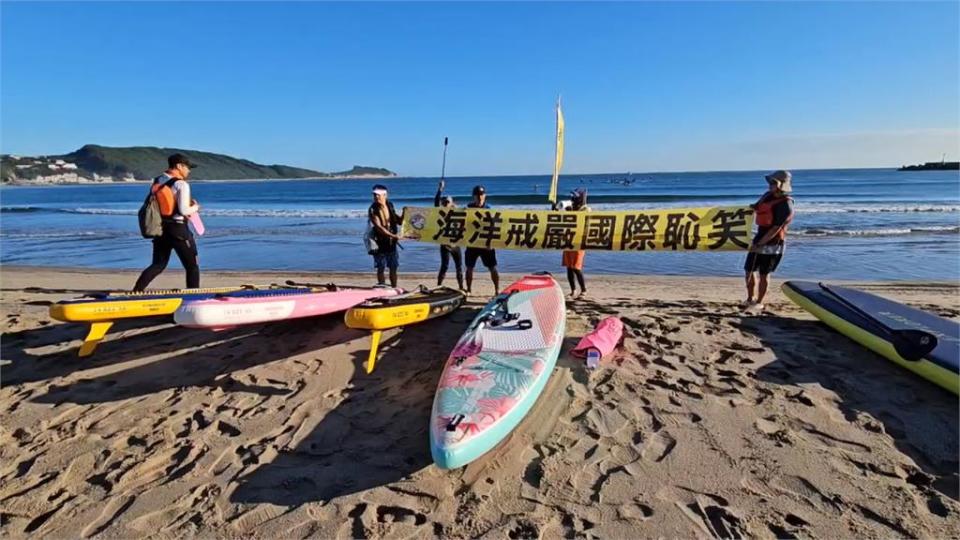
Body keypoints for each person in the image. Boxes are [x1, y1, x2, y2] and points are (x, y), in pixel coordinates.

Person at [133, 153, 201, 291]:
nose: (189, 171)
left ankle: (136, 291)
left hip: (161, 228)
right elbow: (183, 210)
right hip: (178, 230)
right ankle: (193, 296)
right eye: (188, 167)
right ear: (179, 166)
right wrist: (196, 207)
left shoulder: (158, 181)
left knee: (158, 264)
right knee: (192, 266)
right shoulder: (181, 184)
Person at [743, 170, 794, 311]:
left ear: (781, 185)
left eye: (773, 182)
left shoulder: (786, 205)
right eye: (770, 182)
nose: (770, 185)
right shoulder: (767, 196)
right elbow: (755, 207)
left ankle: (759, 301)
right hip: (759, 235)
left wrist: (761, 243)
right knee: (749, 270)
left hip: (774, 242)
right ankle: (749, 298)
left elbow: (776, 228)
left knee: (764, 274)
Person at [464, 185, 500, 295]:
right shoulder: (468, 209)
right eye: (477, 195)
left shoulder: (489, 209)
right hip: (472, 243)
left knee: (492, 268)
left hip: (486, 245)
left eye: (481, 195)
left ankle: (497, 290)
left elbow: (494, 227)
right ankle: (469, 289)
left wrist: (492, 242)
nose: (479, 197)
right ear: (473, 196)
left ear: (485, 196)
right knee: (469, 268)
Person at [368, 184, 403, 287]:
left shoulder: (390, 205)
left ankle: (394, 287)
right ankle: (382, 287)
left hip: (391, 243)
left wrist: (405, 213)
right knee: (381, 267)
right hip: (379, 243)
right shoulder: (372, 209)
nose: (376, 197)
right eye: (374, 195)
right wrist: (393, 235)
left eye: (378, 195)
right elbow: (379, 228)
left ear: (385, 195)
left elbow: (399, 221)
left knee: (393, 267)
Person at [558, 189, 590, 298]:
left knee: (576, 267)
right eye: (573, 197)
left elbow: (583, 221)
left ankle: (584, 290)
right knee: (569, 267)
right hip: (569, 239)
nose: (573, 199)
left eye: (575, 197)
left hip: (579, 241)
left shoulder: (585, 209)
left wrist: (572, 212)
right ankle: (573, 290)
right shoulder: (571, 208)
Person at [434, 180, 465, 290]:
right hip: (445, 245)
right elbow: (436, 202)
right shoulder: (440, 213)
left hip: (456, 245)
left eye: (448, 202)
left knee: (459, 267)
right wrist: (440, 189)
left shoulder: (457, 213)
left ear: (452, 203)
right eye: (445, 202)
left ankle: (461, 287)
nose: (446, 204)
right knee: (444, 266)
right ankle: (438, 285)